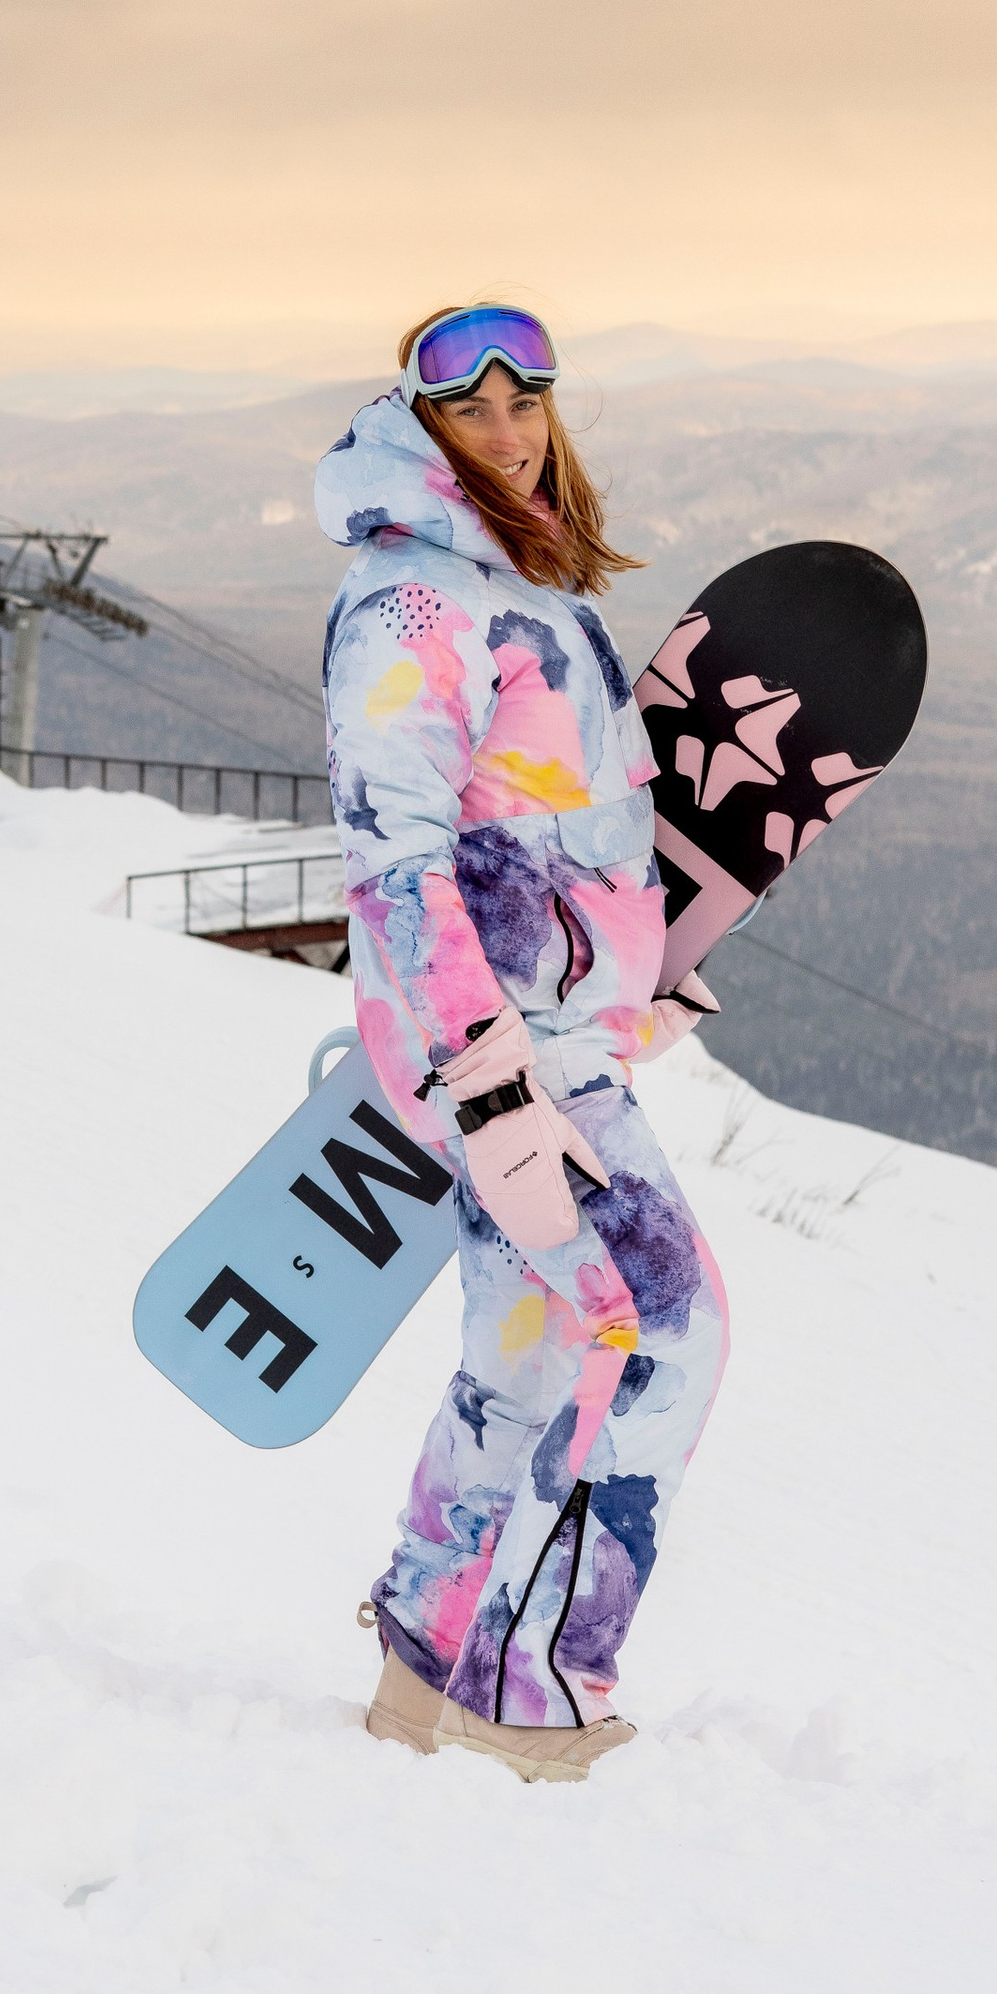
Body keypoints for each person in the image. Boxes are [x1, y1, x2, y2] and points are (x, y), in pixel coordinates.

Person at [318, 301, 730, 1785]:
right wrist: (492, 1078)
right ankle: (538, 1679)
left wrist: (629, 992)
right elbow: (398, 861)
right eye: (469, 406)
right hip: (502, 1064)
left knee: (532, 1354)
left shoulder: (530, 586)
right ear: (419, 425)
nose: (505, 425)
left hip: (556, 1041)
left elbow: (554, 826)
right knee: (670, 1330)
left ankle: (423, 1666)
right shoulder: (411, 607)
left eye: (527, 398)